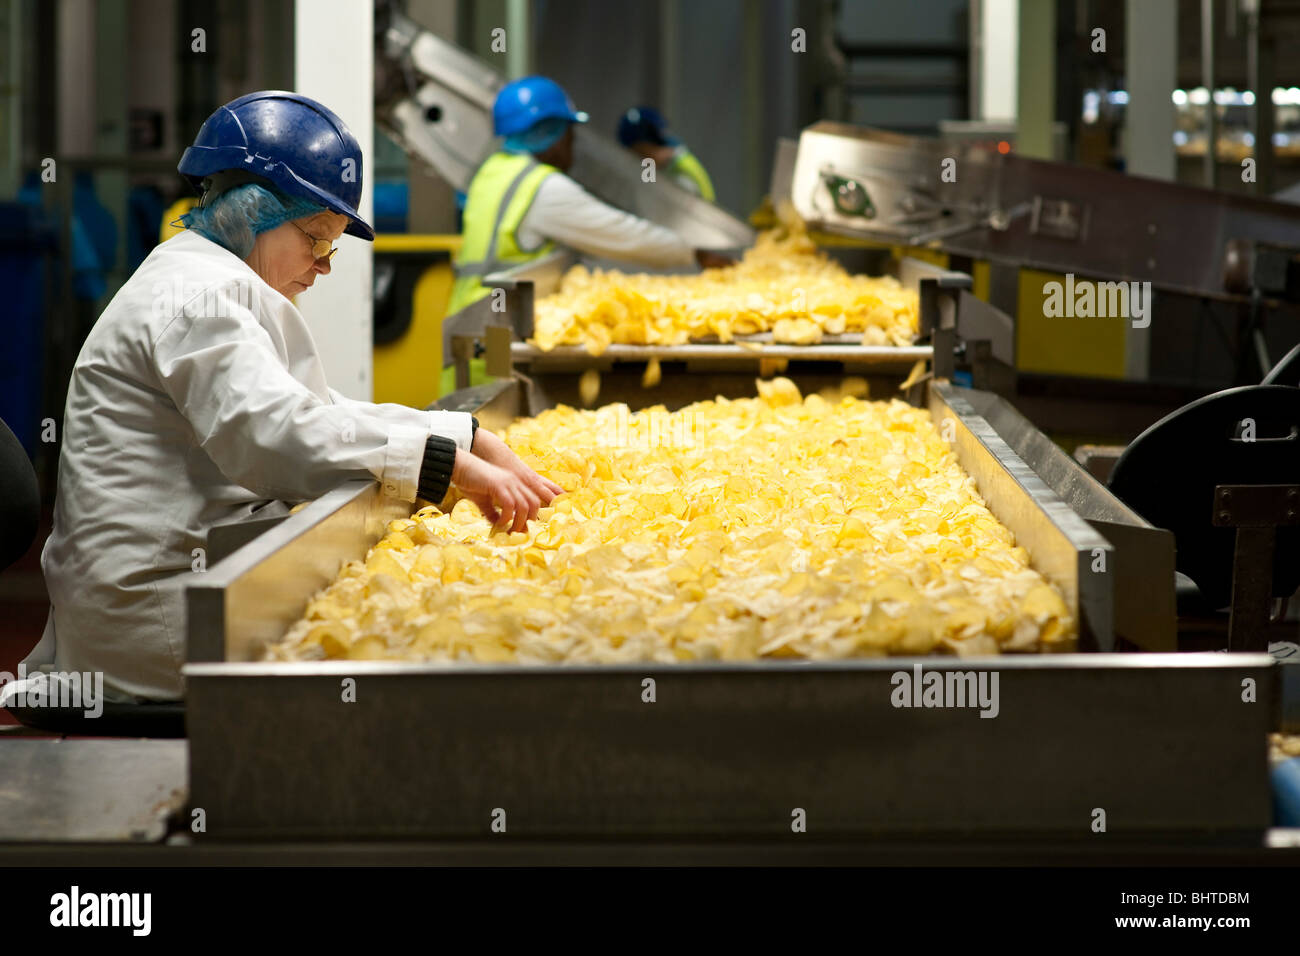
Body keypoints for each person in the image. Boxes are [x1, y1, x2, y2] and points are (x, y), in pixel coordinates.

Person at [6, 91, 561, 704]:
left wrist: (467, 436)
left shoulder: (210, 282)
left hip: (186, 579)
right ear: (252, 211)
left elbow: (317, 409)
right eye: (317, 238)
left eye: (333, 244)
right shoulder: (198, 298)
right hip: (157, 617)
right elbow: (276, 436)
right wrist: (446, 465)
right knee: (411, 656)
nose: (324, 265)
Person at [445, 76, 732, 318]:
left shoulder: (494, 172)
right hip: (494, 336)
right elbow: (622, 234)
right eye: (571, 134)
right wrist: (694, 254)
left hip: (469, 316)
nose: (573, 143)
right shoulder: (542, 189)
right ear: (553, 135)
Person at [617, 105, 716, 202]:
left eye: (641, 153)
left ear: (656, 143)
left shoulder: (681, 176)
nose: (640, 161)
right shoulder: (670, 166)